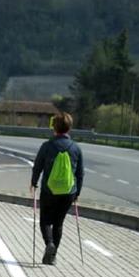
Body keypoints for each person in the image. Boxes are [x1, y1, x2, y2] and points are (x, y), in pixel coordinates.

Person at [30, 111, 84, 265]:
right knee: (58, 223)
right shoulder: (76, 148)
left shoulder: (47, 146)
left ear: (54, 127)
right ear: (69, 128)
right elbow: (80, 173)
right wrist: (77, 193)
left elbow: (38, 166)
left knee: (45, 221)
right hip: (68, 192)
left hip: (49, 190)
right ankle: (52, 257)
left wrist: (34, 182)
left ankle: (49, 244)